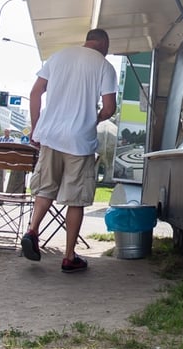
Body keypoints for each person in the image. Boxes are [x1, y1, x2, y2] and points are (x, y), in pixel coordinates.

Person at [21, 28, 117, 273]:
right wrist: (91, 119)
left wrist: (35, 128)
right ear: (104, 45)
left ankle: (32, 231)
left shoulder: (58, 56)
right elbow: (109, 108)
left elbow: (35, 93)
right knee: (76, 199)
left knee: (45, 189)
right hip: (79, 141)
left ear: (87, 40)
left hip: (50, 135)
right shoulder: (105, 67)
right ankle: (69, 256)